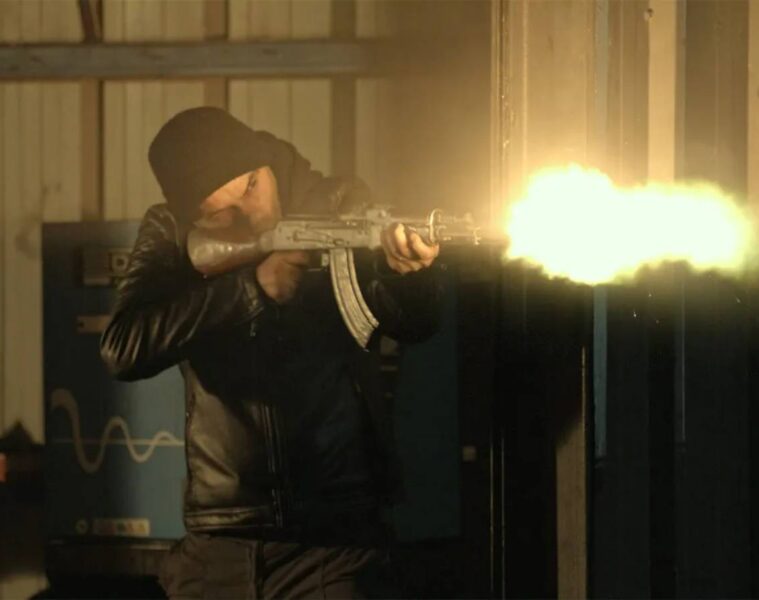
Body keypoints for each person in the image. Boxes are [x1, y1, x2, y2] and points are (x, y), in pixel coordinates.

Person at [99, 106, 443, 599]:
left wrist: (404, 273)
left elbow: (417, 323)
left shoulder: (340, 203)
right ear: (194, 218)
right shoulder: (170, 232)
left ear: (265, 164)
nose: (252, 213)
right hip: (221, 537)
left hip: (332, 538)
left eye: (251, 187)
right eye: (221, 214)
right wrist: (251, 290)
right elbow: (122, 347)